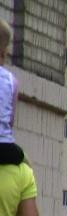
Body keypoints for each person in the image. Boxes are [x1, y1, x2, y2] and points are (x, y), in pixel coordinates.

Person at [0, 19, 24, 166]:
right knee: (26, 163)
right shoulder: (11, 81)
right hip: (5, 148)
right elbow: (10, 121)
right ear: (3, 52)